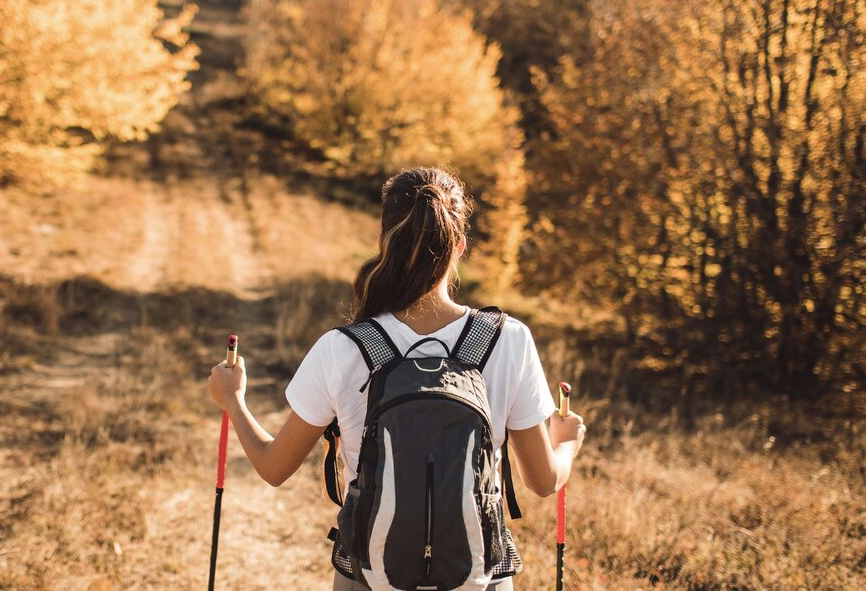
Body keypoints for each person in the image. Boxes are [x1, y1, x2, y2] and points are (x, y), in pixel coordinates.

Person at [207, 166, 586, 590]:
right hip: (477, 579)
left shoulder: (344, 347)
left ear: (383, 241)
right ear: (459, 246)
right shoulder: (508, 340)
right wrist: (567, 440)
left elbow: (274, 468)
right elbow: (543, 481)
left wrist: (234, 401)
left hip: (369, 576)